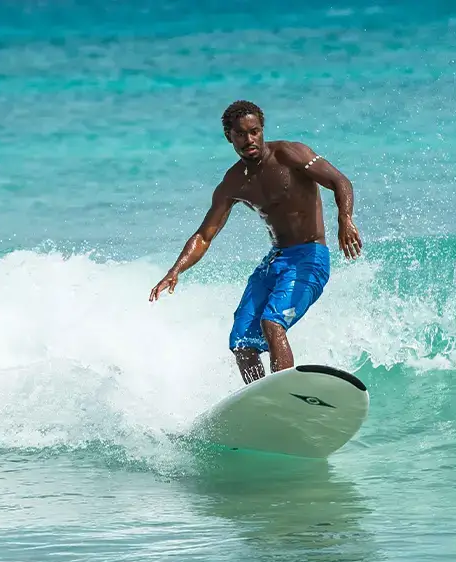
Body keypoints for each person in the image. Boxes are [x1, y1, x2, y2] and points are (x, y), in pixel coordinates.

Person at [149, 100, 362, 384]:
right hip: (276, 260)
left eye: (254, 131)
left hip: (310, 257)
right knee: (242, 342)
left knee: (272, 323)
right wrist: (175, 270)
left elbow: (340, 181)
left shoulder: (289, 154)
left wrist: (344, 219)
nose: (249, 139)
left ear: (262, 130)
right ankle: (262, 401)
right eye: (241, 134)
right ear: (230, 137)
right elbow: (204, 236)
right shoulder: (233, 182)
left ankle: (286, 393)